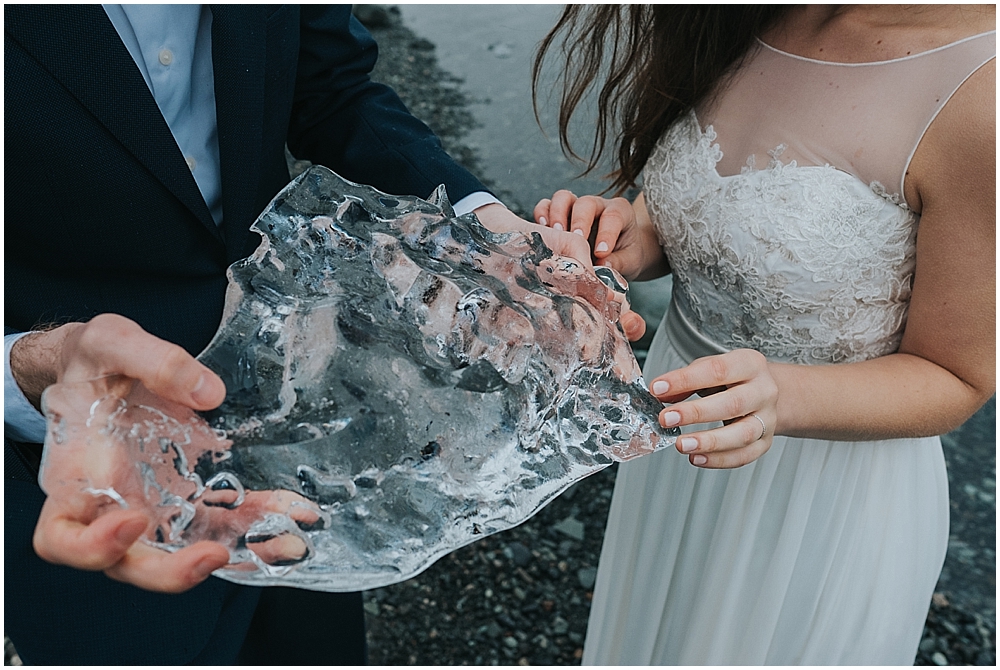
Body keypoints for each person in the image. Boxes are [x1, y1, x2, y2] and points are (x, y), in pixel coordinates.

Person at [4, 5, 628, 665]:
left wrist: (482, 232)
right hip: (84, 462)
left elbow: (332, 90)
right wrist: (29, 366)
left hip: (311, 417)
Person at [532, 5, 994, 664]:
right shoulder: (758, 10)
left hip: (819, 496)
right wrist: (626, 238)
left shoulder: (984, 95)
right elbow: (710, 205)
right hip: (678, 453)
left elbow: (960, 376)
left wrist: (780, 395)